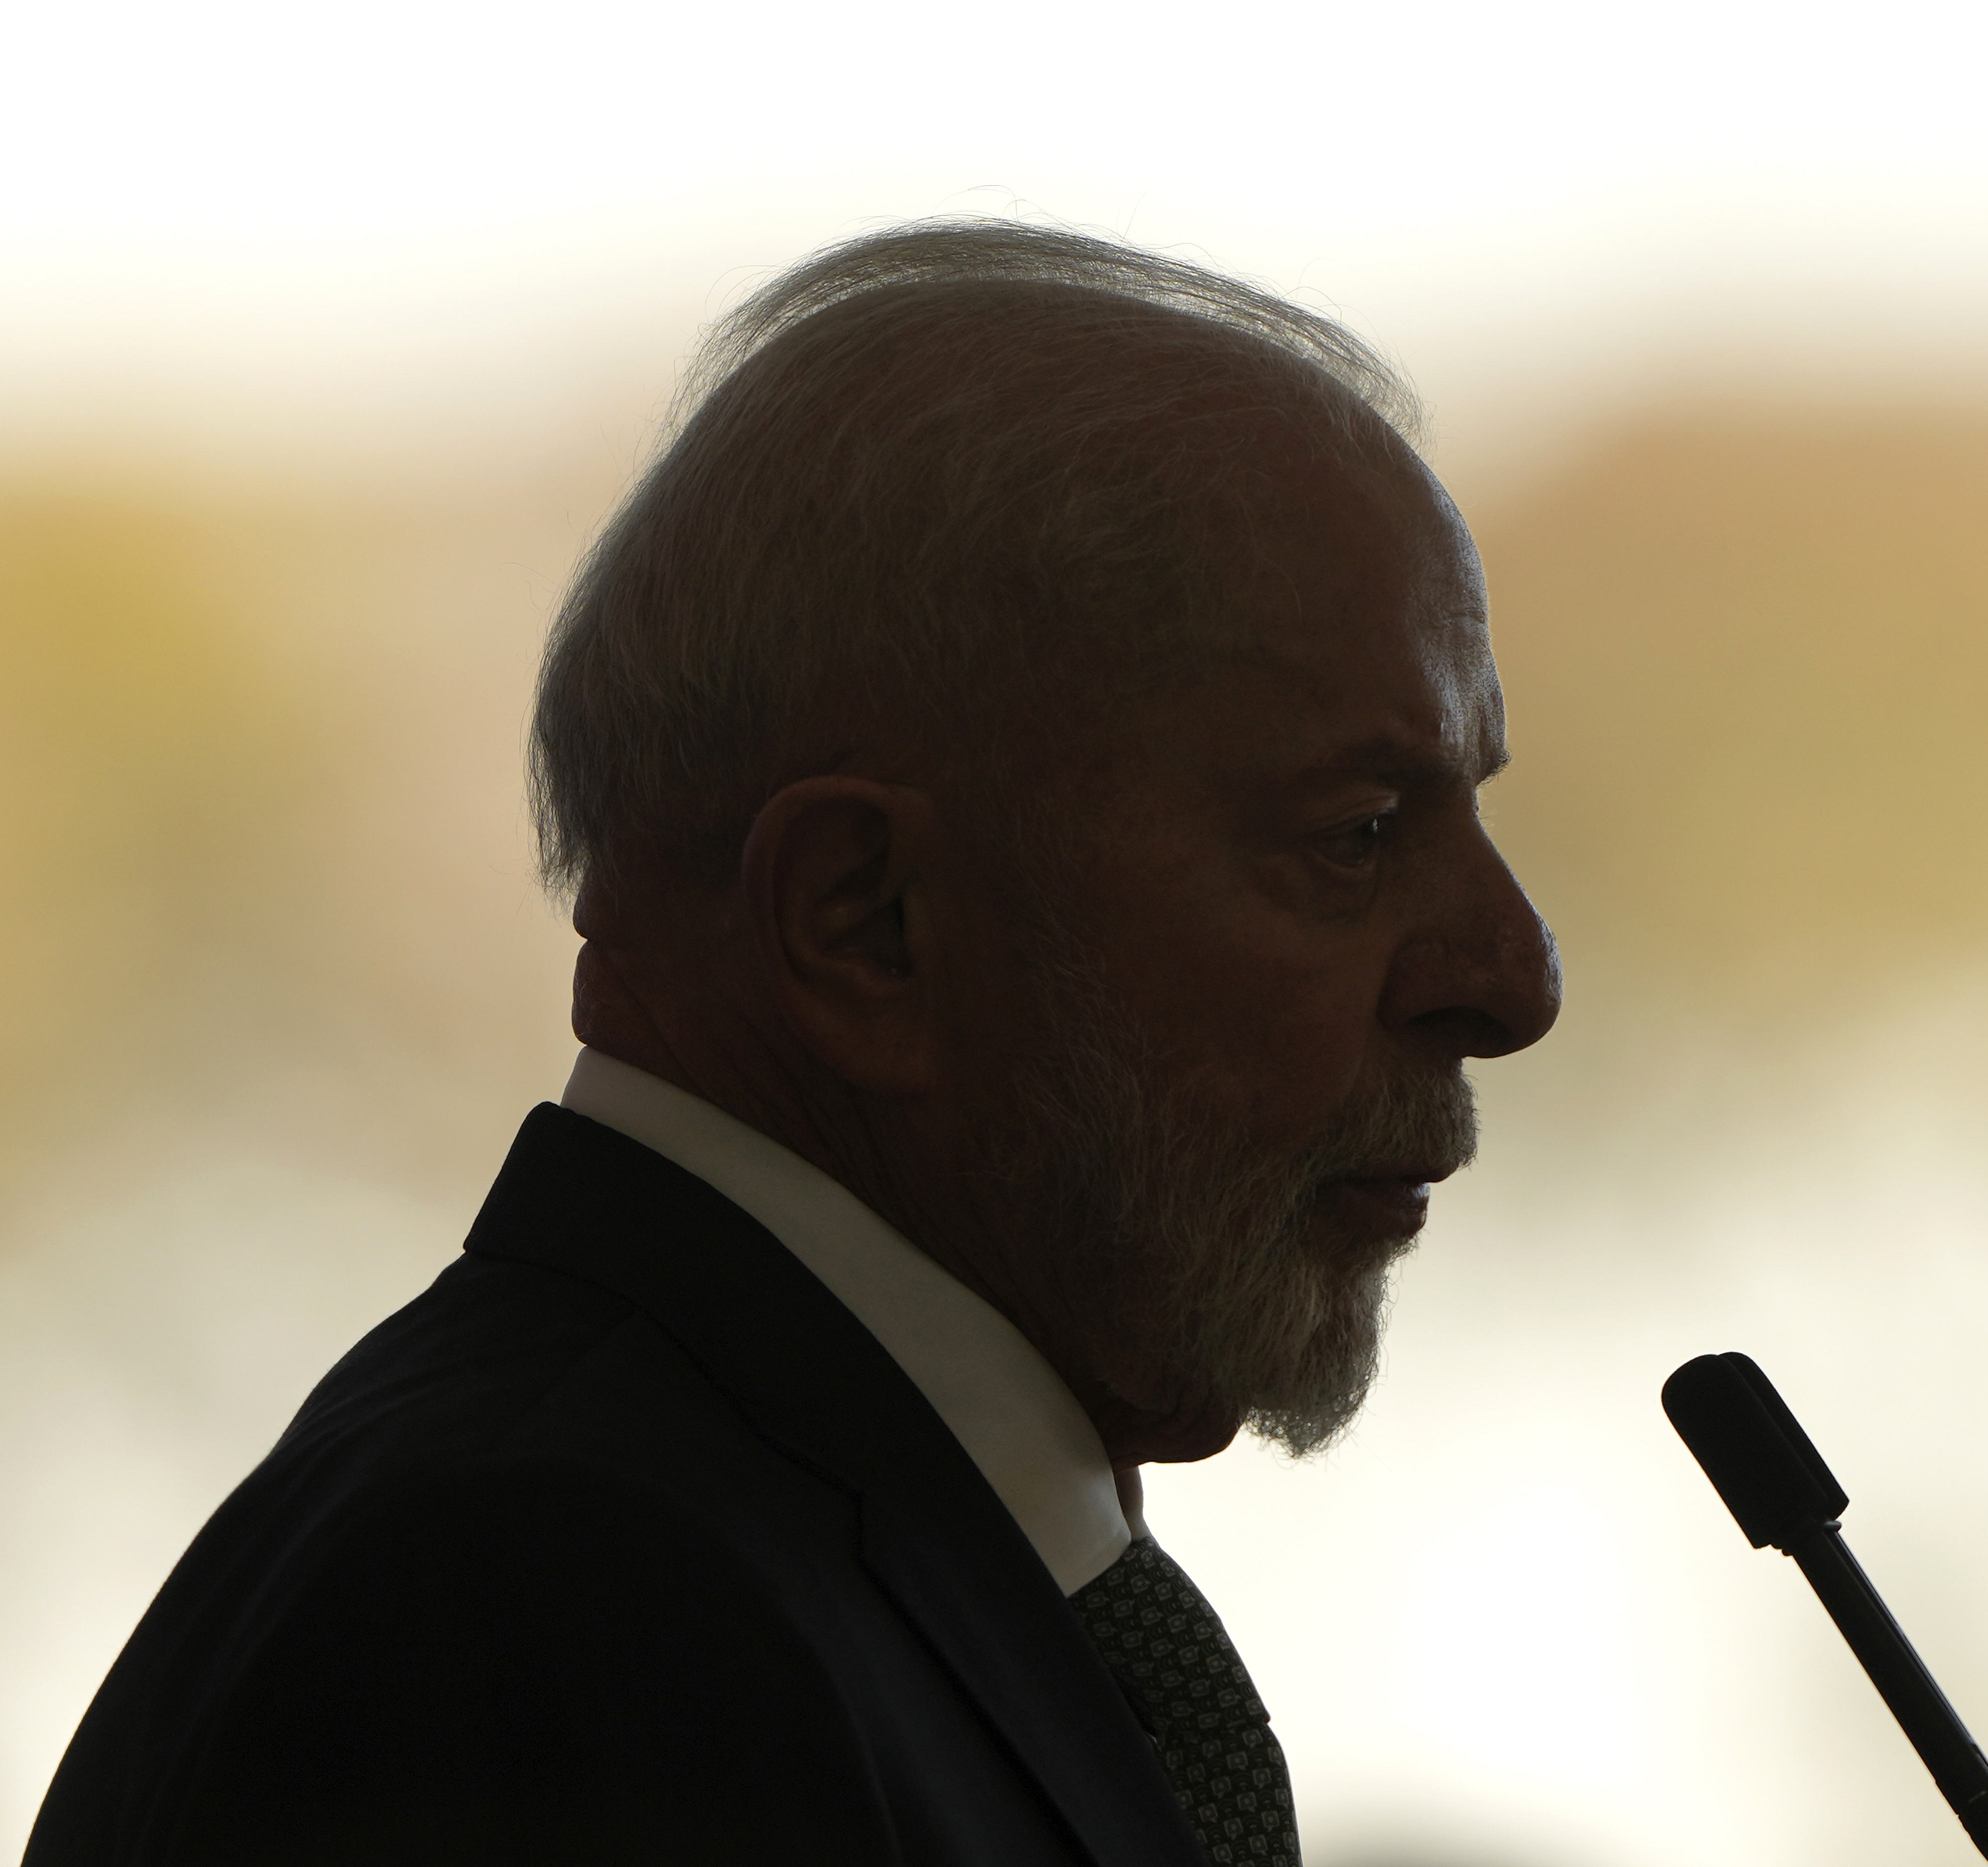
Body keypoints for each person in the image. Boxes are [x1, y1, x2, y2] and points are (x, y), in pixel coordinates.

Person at [26, 221, 1561, 1867]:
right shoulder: (567, 1610)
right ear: (864, 922)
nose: (1514, 979)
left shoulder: (753, 1548)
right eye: (1355, 833)